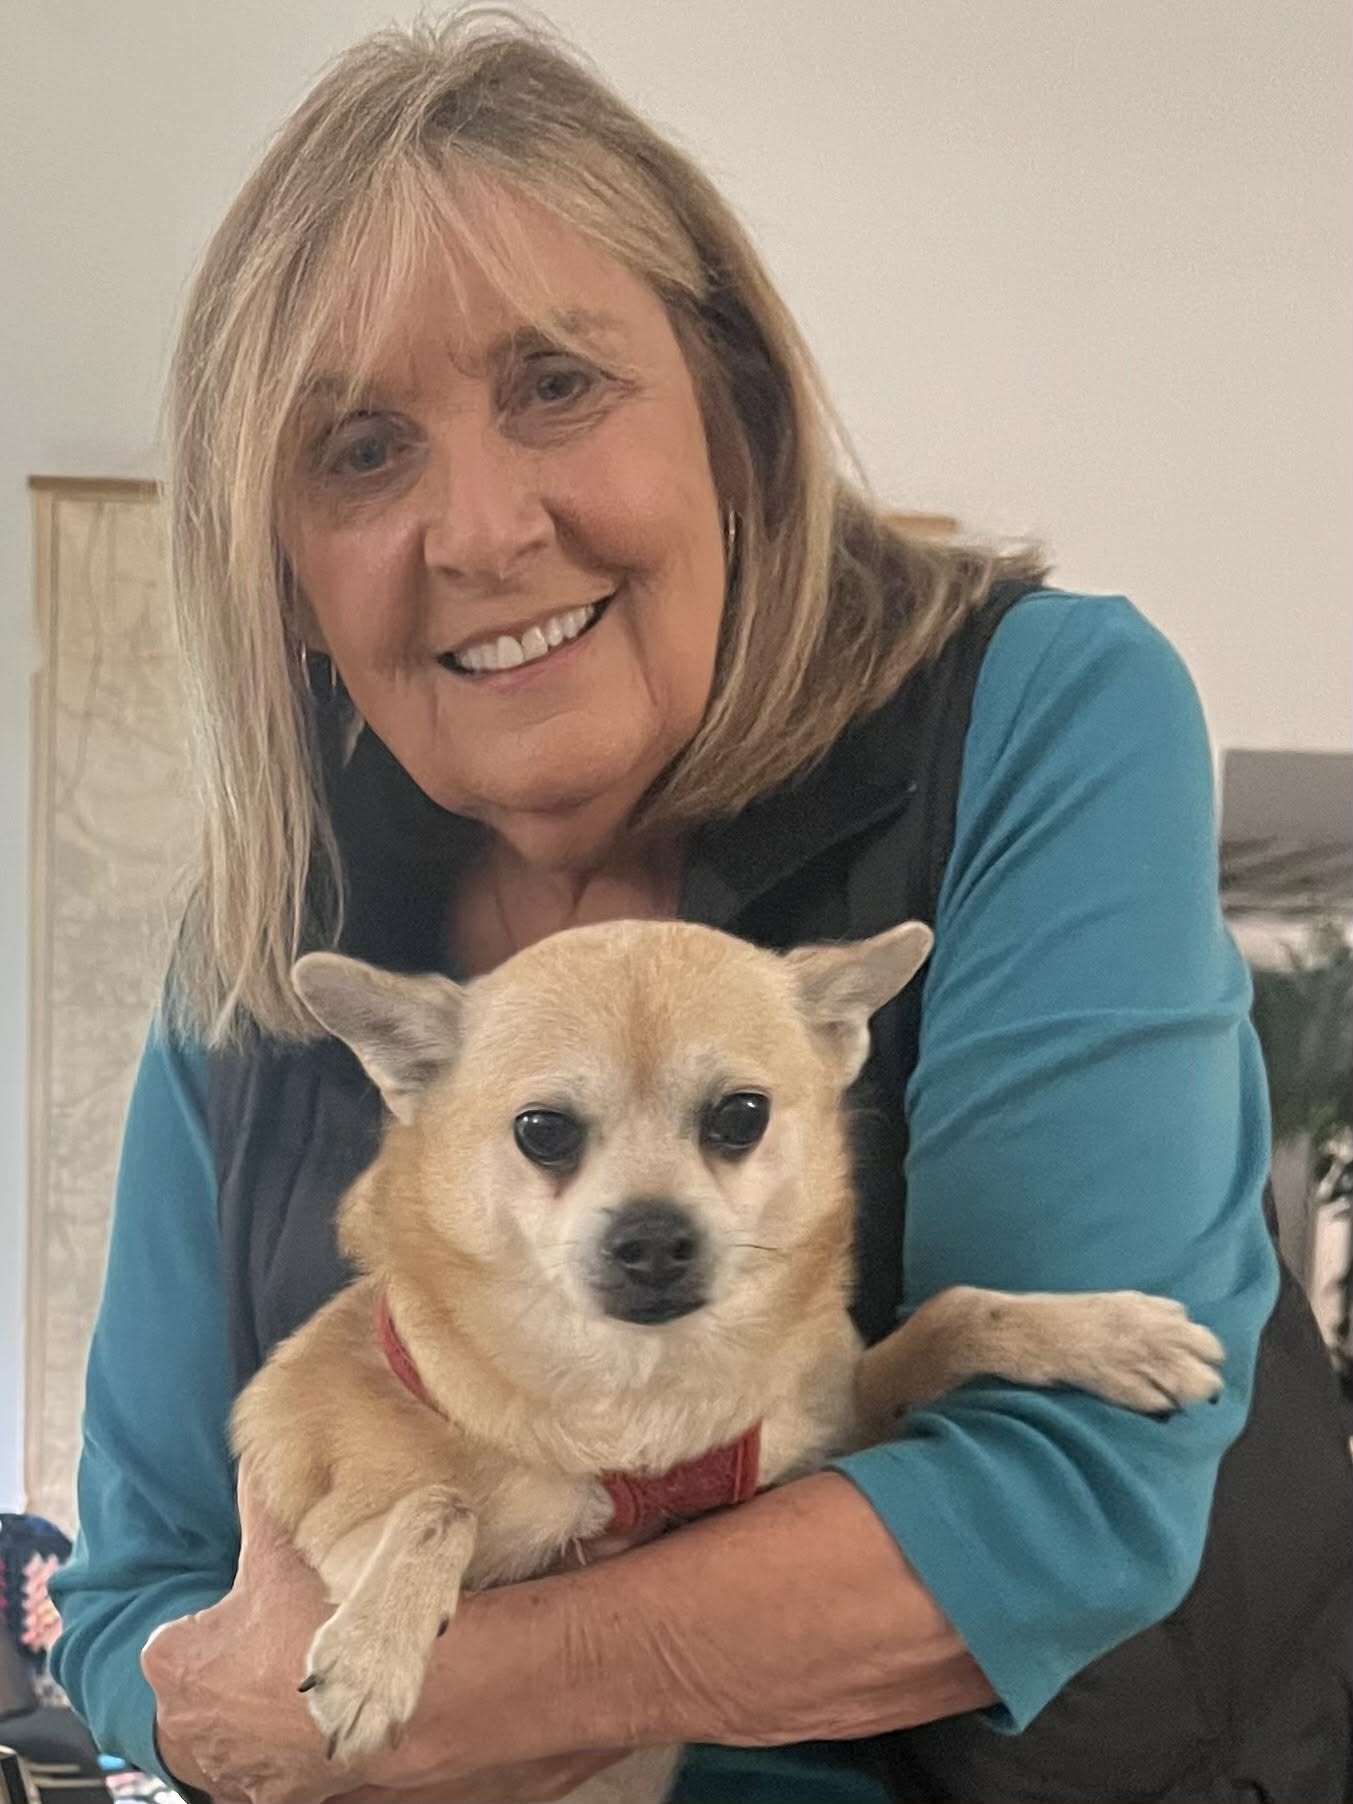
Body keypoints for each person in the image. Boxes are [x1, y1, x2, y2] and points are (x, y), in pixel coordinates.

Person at [50, 18, 1353, 1804]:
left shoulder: (1029, 718)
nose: (479, 529)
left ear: (730, 413)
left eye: (553, 385)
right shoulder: (264, 952)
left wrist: (391, 1704)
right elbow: (133, 1604)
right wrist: (205, 1715)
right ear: (282, 572)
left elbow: (1065, 1495)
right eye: (357, 450)